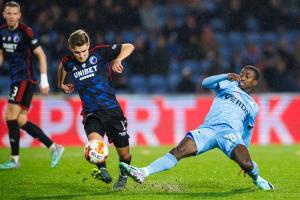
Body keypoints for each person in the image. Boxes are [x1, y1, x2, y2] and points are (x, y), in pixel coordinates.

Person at [121, 65, 275, 191]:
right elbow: (205, 83)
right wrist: (225, 76)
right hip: (208, 129)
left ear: (254, 82)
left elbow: (247, 132)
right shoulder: (229, 85)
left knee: (247, 164)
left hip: (230, 133)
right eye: (241, 74)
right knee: (178, 151)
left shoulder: (253, 107)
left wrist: (245, 150)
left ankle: (257, 178)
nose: (242, 77)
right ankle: (142, 172)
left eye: (247, 76)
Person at [57, 29, 134, 190]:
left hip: (112, 111)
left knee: (124, 154)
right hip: (91, 113)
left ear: (88, 46)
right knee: (94, 144)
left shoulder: (99, 54)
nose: (81, 55)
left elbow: (129, 46)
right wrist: (61, 84)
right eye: (77, 52)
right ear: (71, 49)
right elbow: (62, 66)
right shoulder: (68, 61)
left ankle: (122, 177)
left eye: (84, 50)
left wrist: (117, 59)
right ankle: (103, 170)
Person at [0, 1, 64, 169]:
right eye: (9, 13)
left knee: (10, 117)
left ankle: (14, 160)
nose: (12, 16)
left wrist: (44, 80)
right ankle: (54, 147)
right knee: (20, 120)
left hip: (25, 79)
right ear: (4, 15)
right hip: (16, 78)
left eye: (15, 13)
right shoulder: (1, 32)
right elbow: (1, 53)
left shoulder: (25, 31)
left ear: (19, 15)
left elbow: (41, 55)